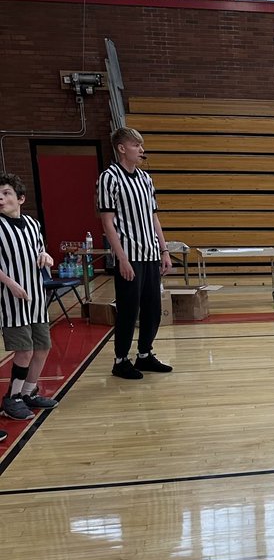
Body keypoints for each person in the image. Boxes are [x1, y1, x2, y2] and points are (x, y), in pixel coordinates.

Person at [97, 127, 173, 380]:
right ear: (122, 148)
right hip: (129, 255)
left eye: (141, 146)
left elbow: (154, 217)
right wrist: (121, 258)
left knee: (152, 308)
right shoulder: (109, 177)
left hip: (150, 253)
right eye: (136, 145)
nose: (141, 150)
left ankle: (144, 354)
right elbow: (107, 223)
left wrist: (164, 249)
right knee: (130, 309)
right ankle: (121, 359)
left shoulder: (145, 179)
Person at [0, 173, 60, 422]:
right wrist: (9, 283)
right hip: (11, 299)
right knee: (24, 350)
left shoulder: (33, 224)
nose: (1, 199)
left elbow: (40, 250)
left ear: (20, 198)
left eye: (6, 194)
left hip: (36, 297)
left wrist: (47, 256)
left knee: (43, 346)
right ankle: (11, 399)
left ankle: (27, 393)